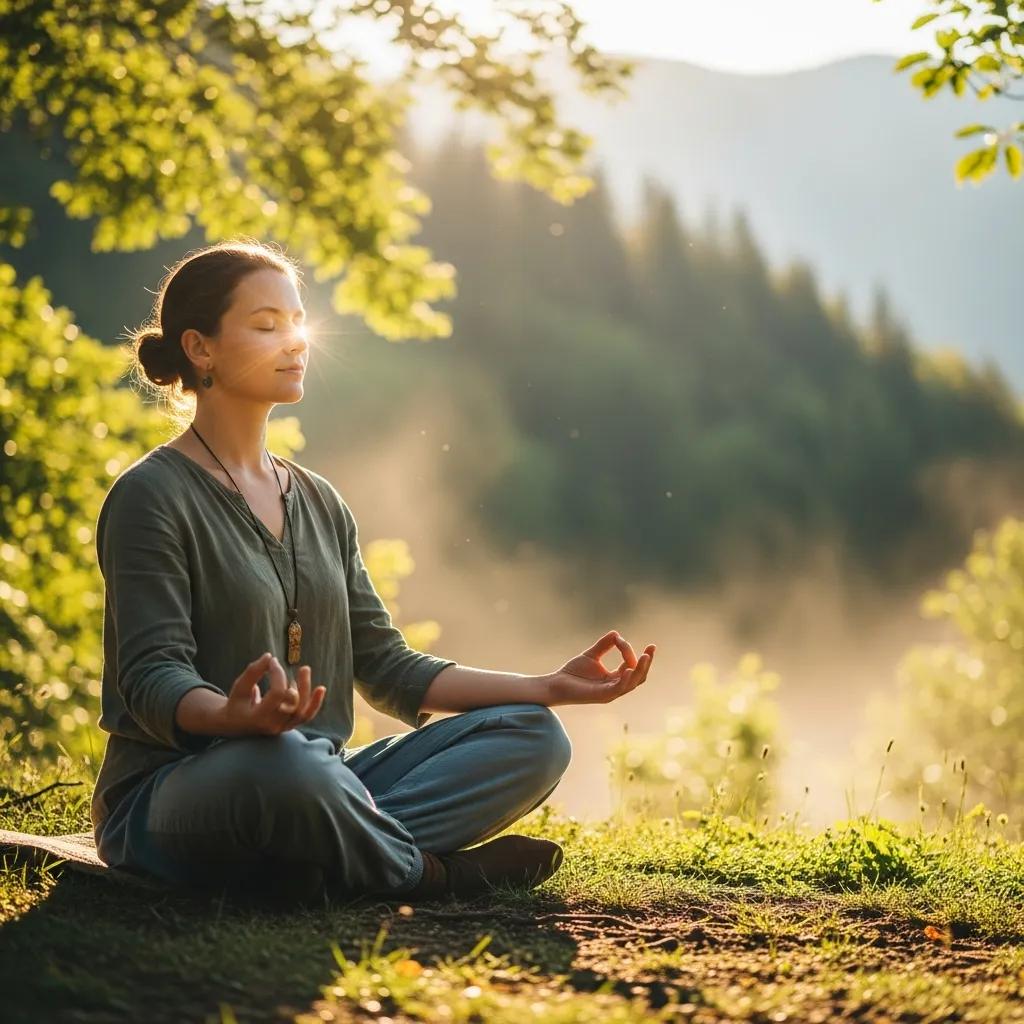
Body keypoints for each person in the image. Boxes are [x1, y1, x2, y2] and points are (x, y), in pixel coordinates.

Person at [90, 238, 656, 906]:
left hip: (320, 777)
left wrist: (547, 685)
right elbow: (152, 679)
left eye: (298, 322)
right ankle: (431, 875)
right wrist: (233, 717)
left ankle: (312, 857)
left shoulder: (322, 502)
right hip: (180, 793)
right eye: (267, 325)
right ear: (200, 348)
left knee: (533, 735)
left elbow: (388, 666)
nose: (295, 341)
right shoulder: (150, 496)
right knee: (286, 766)